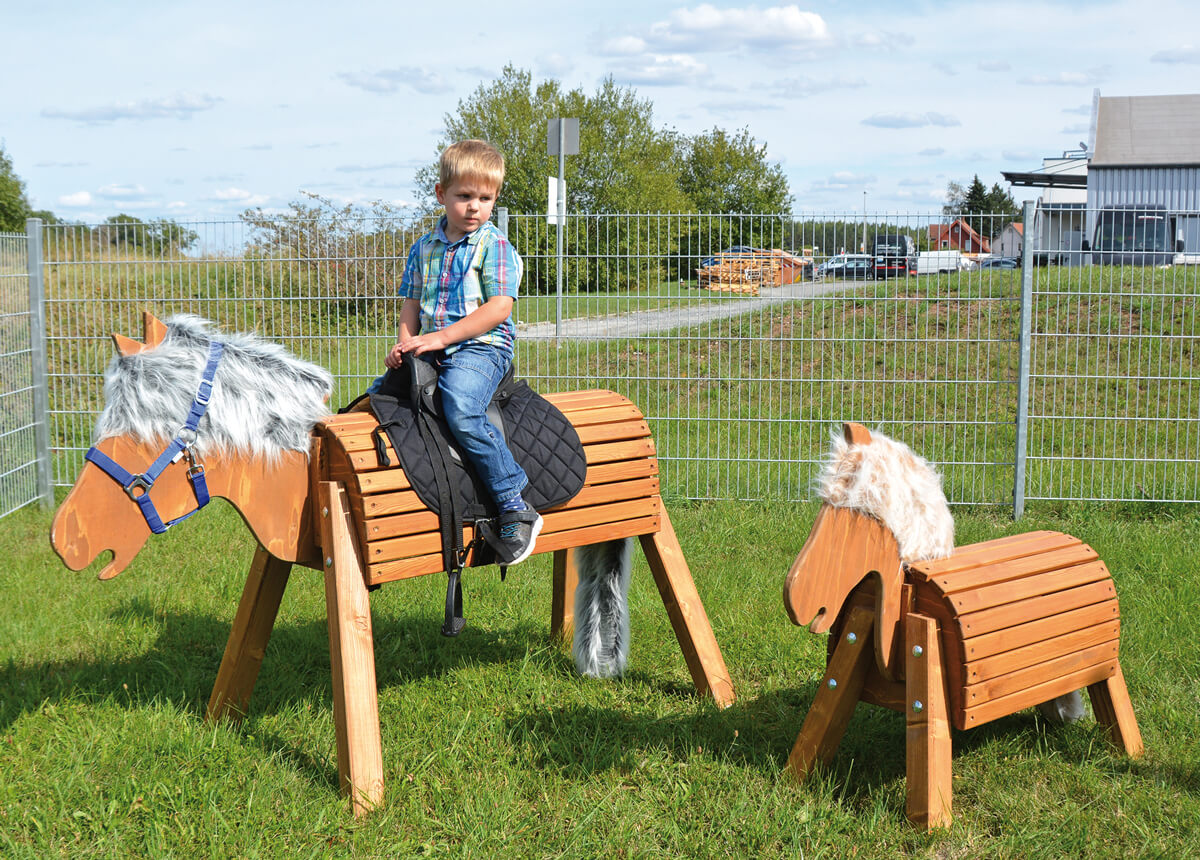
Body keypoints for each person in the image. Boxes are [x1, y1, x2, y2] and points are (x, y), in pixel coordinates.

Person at [381, 139, 541, 565]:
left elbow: (499, 309)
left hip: (481, 348)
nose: (474, 207)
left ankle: (513, 503)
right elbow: (412, 303)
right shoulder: (423, 248)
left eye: (485, 198)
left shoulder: (495, 247)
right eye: (464, 196)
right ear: (441, 194)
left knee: (461, 407)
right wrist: (404, 343)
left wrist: (440, 338)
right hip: (432, 346)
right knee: (381, 397)